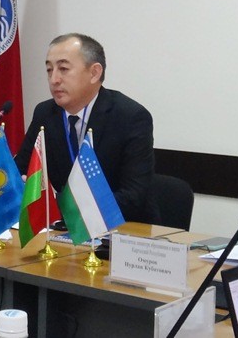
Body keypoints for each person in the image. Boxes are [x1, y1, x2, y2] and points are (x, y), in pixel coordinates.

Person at [14, 33, 157, 224]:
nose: (54, 79)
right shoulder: (45, 113)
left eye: (63, 69)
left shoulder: (131, 117)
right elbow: (19, 171)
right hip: (61, 229)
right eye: (49, 70)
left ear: (94, 73)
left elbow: (133, 197)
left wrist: (61, 207)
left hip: (121, 229)